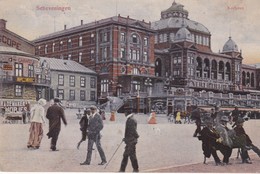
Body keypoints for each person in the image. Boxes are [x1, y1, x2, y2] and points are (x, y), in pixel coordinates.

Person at [119, 108, 139, 172]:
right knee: (126, 155)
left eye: (125, 112)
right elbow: (129, 131)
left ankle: (135, 169)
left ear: (127, 113)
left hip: (131, 141)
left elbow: (133, 131)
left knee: (131, 155)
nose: (124, 113)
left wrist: (136, 136)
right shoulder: (131, 119)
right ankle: (123, 169)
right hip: (129, 140)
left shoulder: (130, 120)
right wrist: (125, 138)